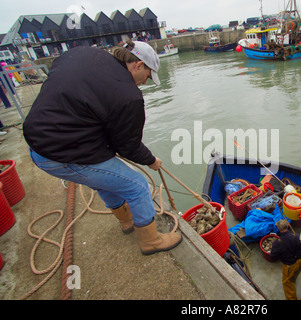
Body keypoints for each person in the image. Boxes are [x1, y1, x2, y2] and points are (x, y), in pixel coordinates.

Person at [23, 40, 182, 255]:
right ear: (137, 65)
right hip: (59, 153)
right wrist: (151, 161)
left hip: (39, 141)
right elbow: (128, 146)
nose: (144, 82)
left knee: (106, 181)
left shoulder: (81, 53)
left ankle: (127, 223)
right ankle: (151, 241)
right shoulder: (129, 96)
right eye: (147, 75)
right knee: (137, 186)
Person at [270, 219, 301, 300]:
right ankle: (293, 279)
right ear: (287, 226)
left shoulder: (277, 242)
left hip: (289, 266)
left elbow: (272, 257)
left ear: (279, 229)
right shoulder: (296, 236)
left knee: (287, 284)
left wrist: (276, 249)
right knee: (294, 275)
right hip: (300, 262)